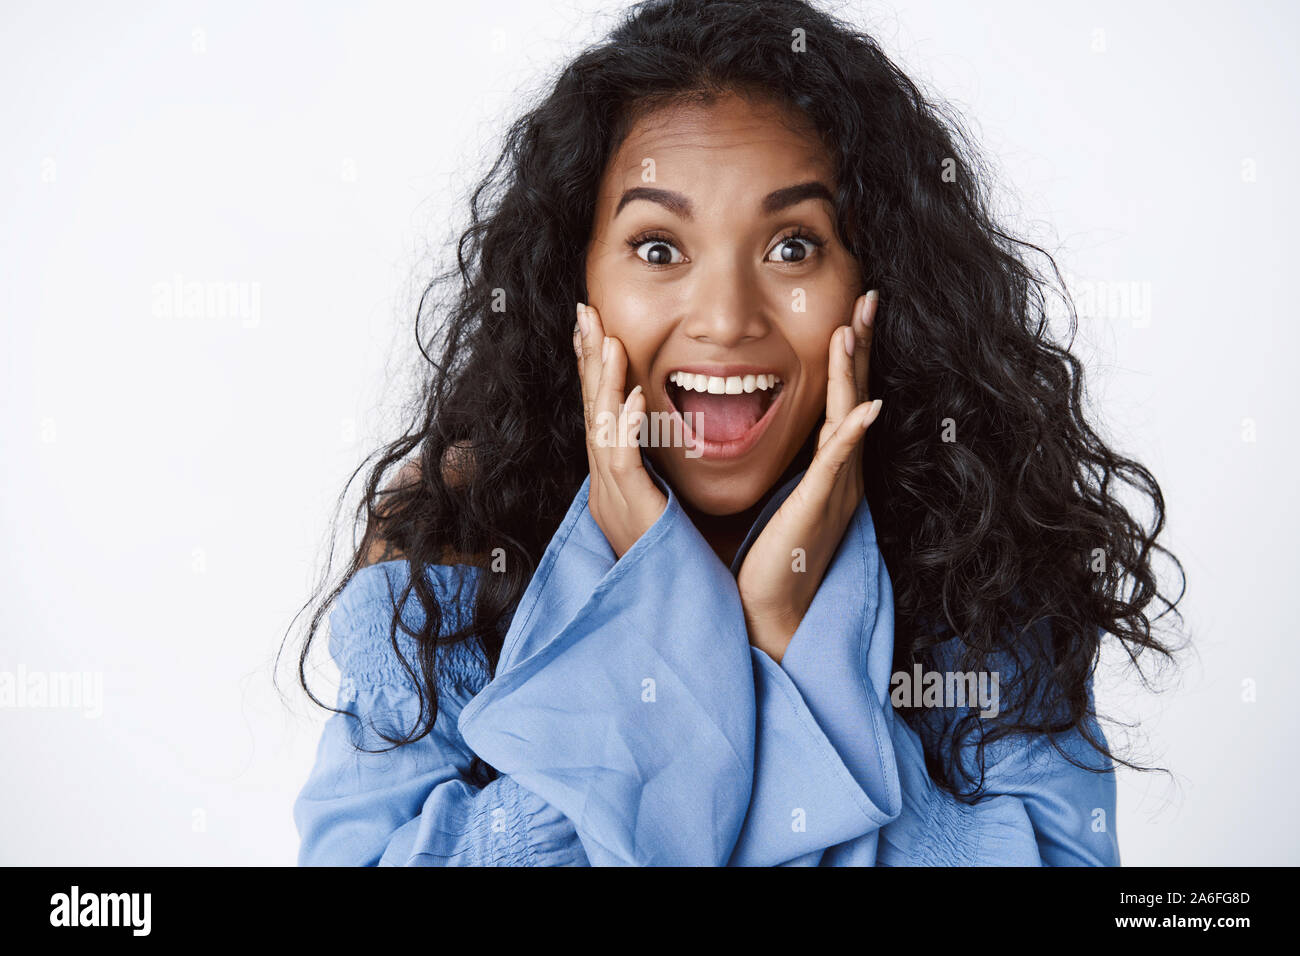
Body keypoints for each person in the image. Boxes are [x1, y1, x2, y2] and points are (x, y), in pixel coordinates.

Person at [288, 0, 1184, 866]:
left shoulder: (987, 575)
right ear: (578, 283)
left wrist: (787, 637)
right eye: (657, 248)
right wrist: (673, 638)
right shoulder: (441, 560)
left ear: (880, 286)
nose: (724, 317)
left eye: (793, 246)